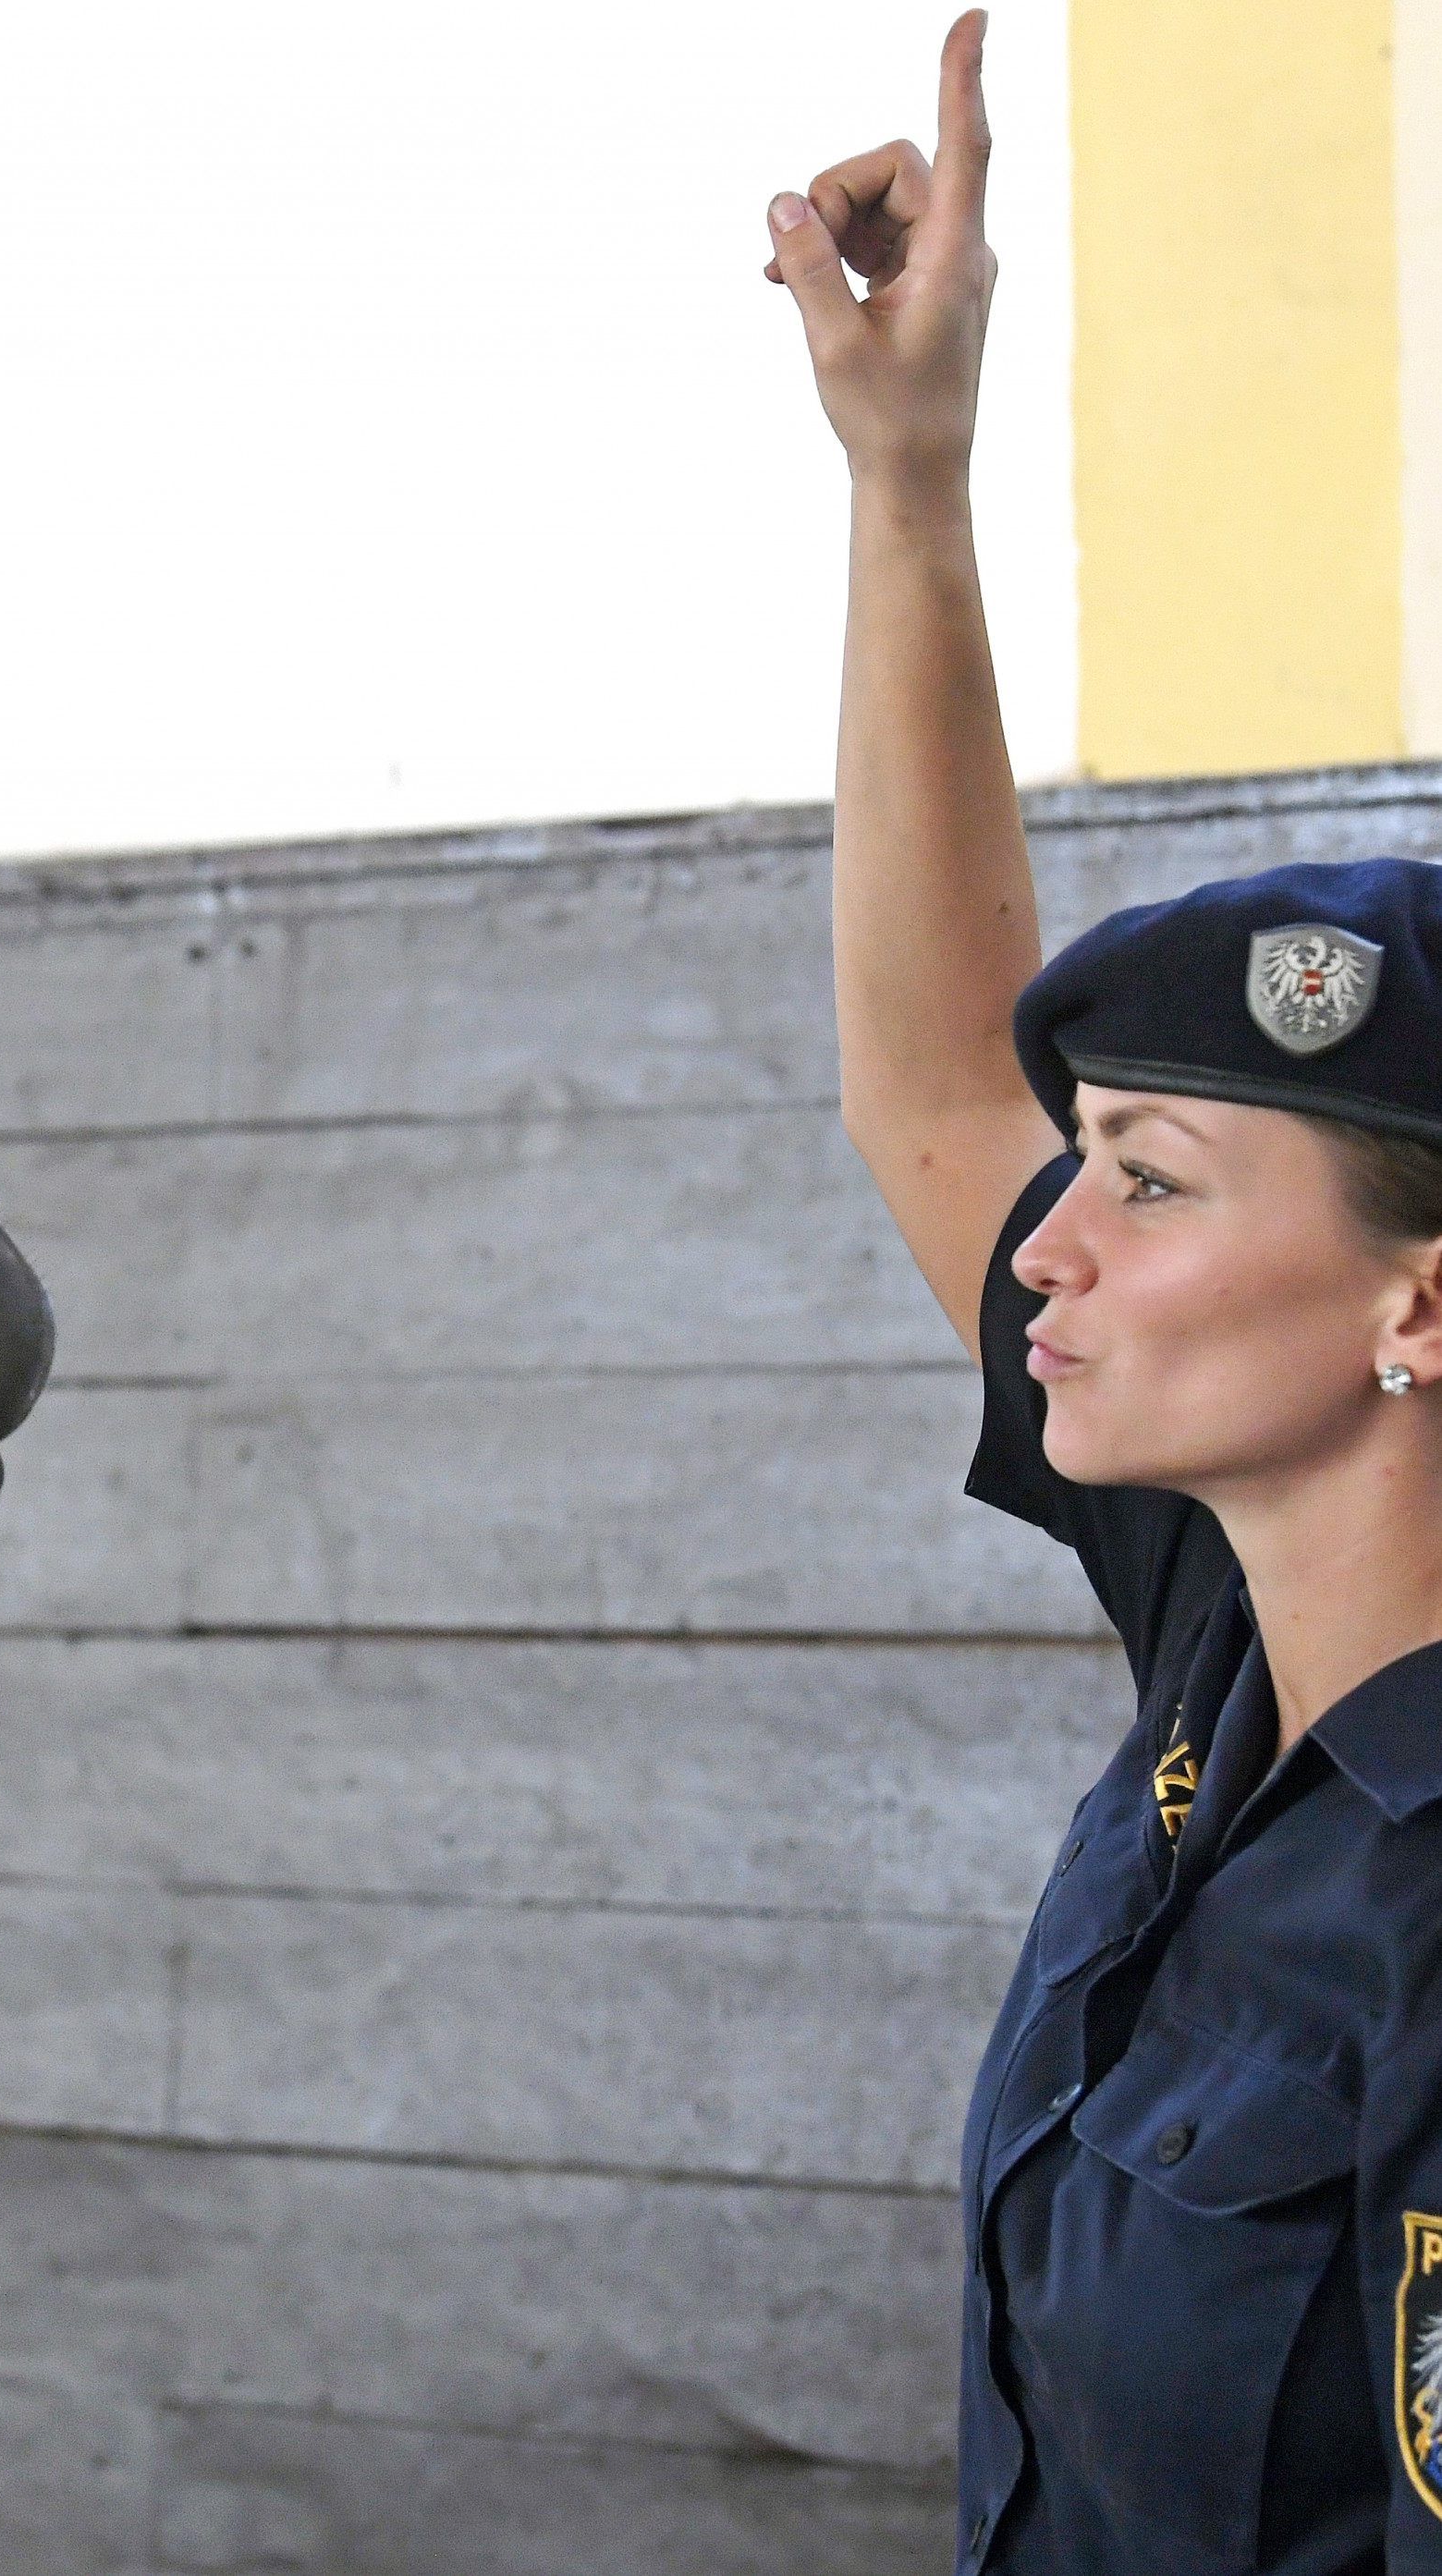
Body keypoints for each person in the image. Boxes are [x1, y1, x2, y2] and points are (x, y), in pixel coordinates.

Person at [769, 13, 1442, 2573]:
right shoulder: (1229, 1637)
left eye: (1148, 1185)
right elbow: (941, 1076)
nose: (1040, 1236)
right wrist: (906, 483)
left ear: (1416, 1311)